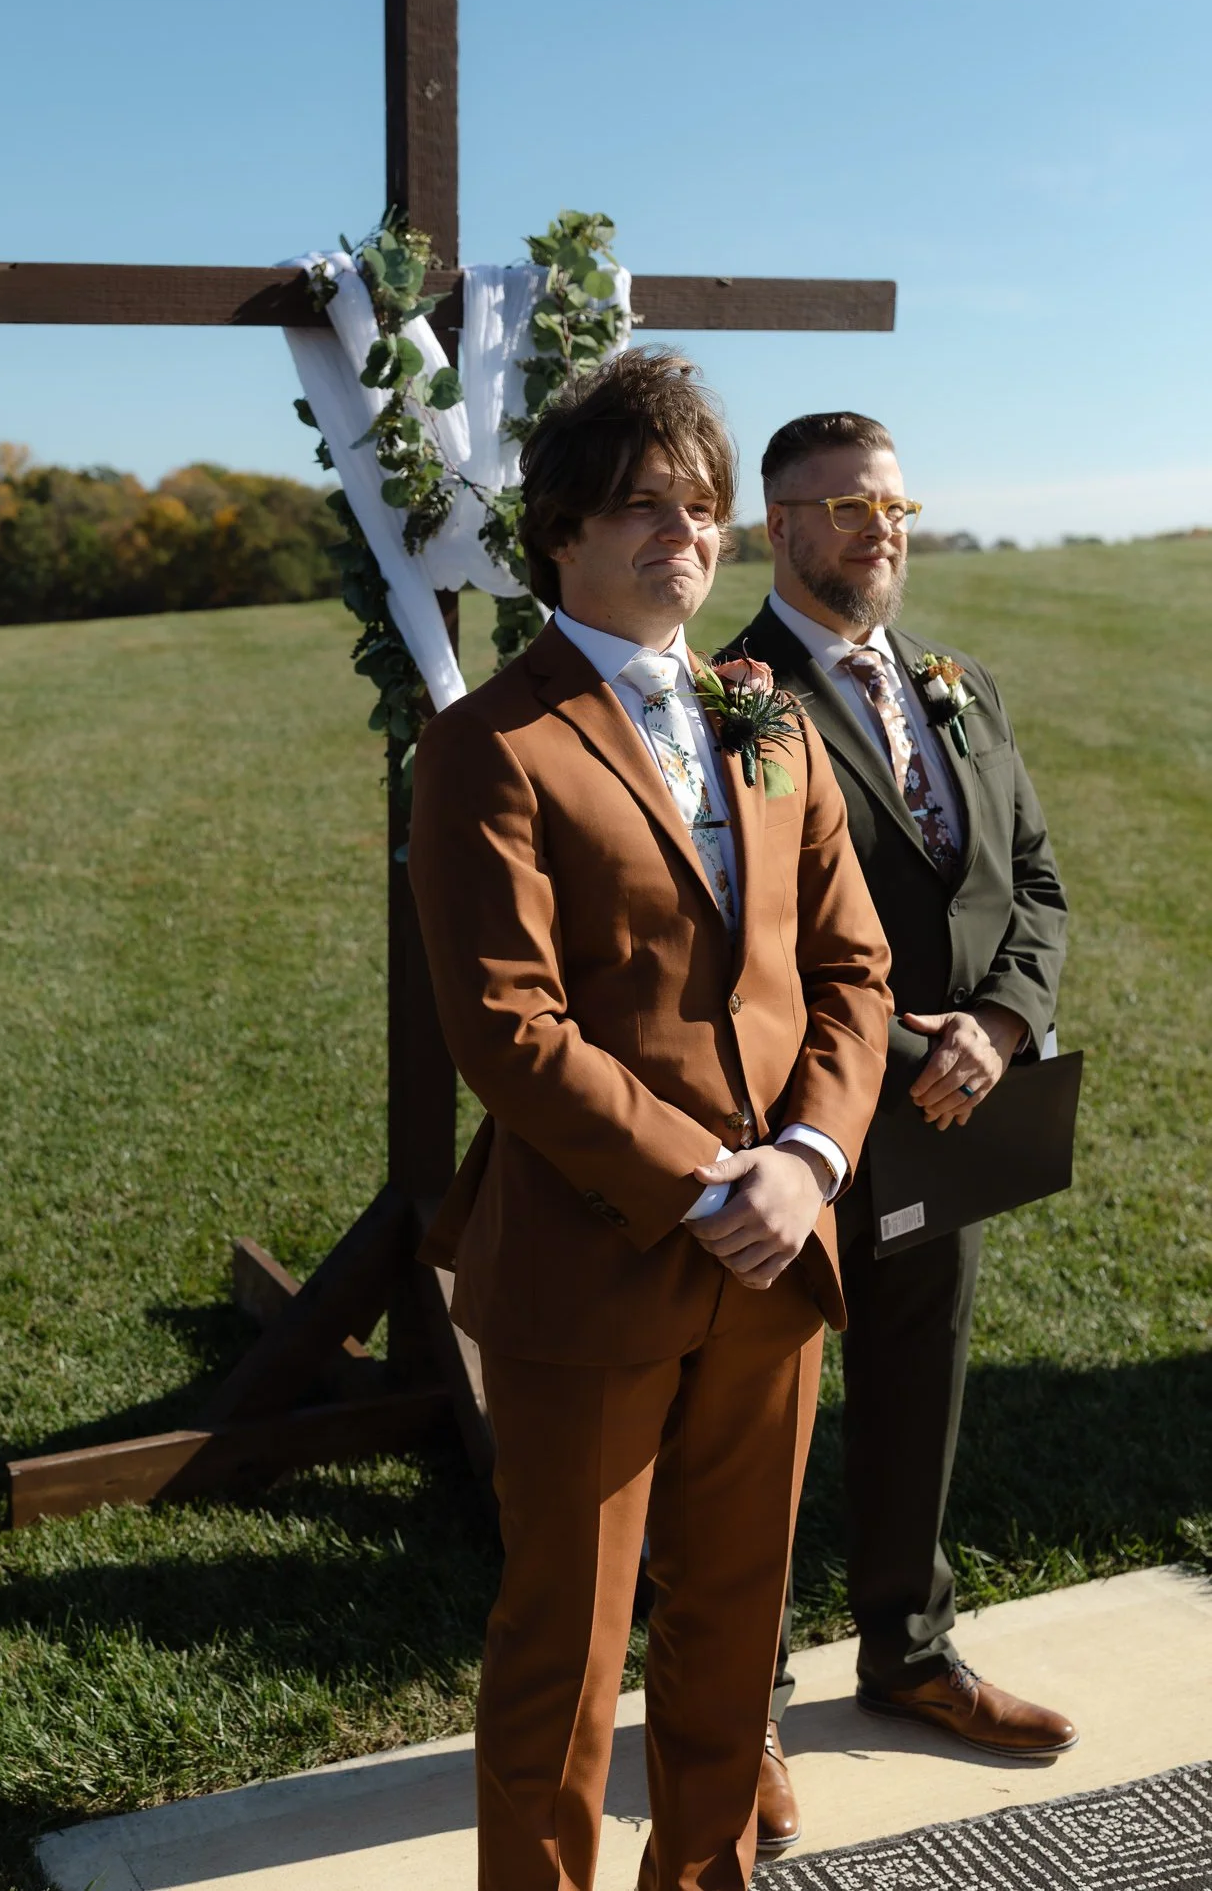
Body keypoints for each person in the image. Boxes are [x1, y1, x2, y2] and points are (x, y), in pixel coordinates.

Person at [408, 350, 892, 1891]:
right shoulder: (490, 743)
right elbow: (507, 1026)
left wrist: (806, 1162)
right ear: (561, 532)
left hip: (775, 1261)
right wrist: (706, 1183)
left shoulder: (769, 719)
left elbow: (853, 969)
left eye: (698, 507)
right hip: (591, 1261)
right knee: (565, 1647)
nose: (679, 535)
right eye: (637, 507)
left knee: (734, 1625)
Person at [726, 411, 1074, 1857]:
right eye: (850, 506)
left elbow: (1035, 882)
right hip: (802, 1111)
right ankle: (734, 1707)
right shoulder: (733, 694)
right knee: (758, 1419)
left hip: (953, 1111)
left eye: (897, 503)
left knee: (920, 1370)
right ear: (782, 525)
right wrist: (884, 1045)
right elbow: (731, 928)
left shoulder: (962, 684)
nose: (884, 529)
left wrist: (996, 1023)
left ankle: (909, 1649)